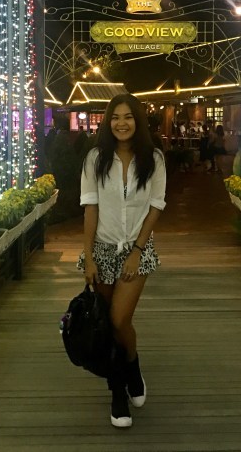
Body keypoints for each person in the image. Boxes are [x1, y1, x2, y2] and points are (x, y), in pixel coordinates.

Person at [77, 93, 166, 428]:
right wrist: (89, 257)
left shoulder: (153, 159)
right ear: (107, 122)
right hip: (102, 248)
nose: (121, 123)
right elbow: (90, 208)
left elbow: (155, 207)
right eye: (115, 117)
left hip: (136, 251)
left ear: (137, 120)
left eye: (128, 116)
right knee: (106, 323)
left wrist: (137, 251)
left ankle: (132, 364)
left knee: (118, 319)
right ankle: (118, 390)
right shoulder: (95, 158)